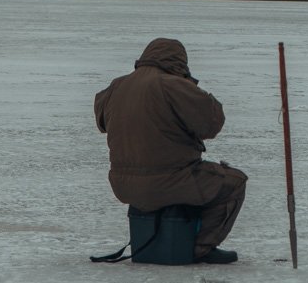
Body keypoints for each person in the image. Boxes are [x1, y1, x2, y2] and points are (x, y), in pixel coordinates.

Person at [94, 38, 246, 264]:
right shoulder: (173, 86)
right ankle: (201, 248)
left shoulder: (117, 86)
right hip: (170, 180)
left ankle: (159, 239)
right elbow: (211, 124)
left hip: (123, 185)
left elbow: (102, 123)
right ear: (179, 62)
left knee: (172, 183)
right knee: (233, 182)